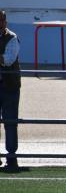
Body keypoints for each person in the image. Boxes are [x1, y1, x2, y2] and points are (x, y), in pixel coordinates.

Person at [0, 10, 21, 169]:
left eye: (1, 20)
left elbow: (8, 60)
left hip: (9, 87)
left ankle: (11, 157)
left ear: (4, 22)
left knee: (10, 123)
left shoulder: (12, 38)